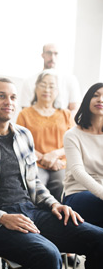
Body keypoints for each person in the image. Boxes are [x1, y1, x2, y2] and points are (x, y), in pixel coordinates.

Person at [0, 77, 103, 268]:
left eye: (13, 97)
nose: (9, 102)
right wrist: (2, 217)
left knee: (99, 239)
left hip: (31, 211)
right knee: (48, 255)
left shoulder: (24, 136)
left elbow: (35, 182)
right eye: (1, 96)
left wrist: (54, 204)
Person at [16, 70, 74, 201]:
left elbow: (73, 143)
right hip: (34, 162)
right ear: (36, 87)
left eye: (51, 86)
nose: (47, 89)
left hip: (60, 163)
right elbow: (20, 143)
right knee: (36, 186)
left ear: (58, 91)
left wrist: (54, 156)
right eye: (43, 85)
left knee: (62, 185)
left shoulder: (66, 114)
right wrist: (44, 158)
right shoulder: (25, 114)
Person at [63, 82, 103, 228]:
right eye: (95, 95)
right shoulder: (72, 135)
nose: (100, 100)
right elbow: (78, 172)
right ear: (87, 101)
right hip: (78, 194)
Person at [20, 43, 81, 113]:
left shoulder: (71, 80)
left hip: (64, 123)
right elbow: (25, 112)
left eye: (56, 54)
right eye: (49, 53)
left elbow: (75, 109)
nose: (52, 57)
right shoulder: (29, 81)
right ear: (43, 55)